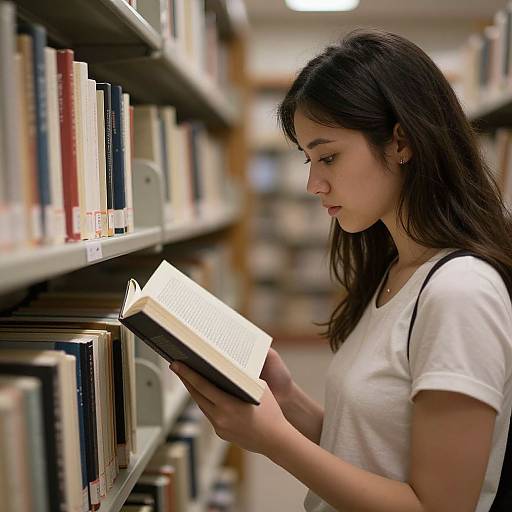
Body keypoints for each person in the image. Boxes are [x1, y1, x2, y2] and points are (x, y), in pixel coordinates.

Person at [169, 28, 512, 512]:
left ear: (402, 142)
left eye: (328, 156)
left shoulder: (460, 292)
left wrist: (276, 443)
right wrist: (289, 402)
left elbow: (439, 507)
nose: (313, 183)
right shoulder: (399, 273)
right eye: (308, 160)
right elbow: (379, 449)